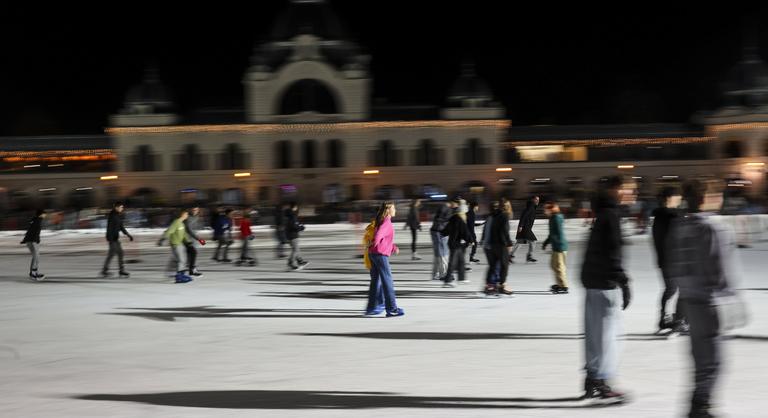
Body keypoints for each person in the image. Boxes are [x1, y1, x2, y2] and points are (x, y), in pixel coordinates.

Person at [668, 179, 746, 418]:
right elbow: (720, 266)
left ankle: (698, 406)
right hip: (709, 300)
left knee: (699, 357)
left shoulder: (679, 226)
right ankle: (700, 407)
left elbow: (673, 264)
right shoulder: (713, 227)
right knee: (712, 361)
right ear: (706, 199)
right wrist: (731, 298)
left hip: (689, 298)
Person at [580, 176, 634, 400]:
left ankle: (593, 379)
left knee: (595, 335)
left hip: (592, 281)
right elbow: (613, 253)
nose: (632, 193)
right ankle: (602, 382)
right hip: (604, 283)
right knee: (607, 337)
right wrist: (623, 281)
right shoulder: (611, 215)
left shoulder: (602, 213)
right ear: (616, 189)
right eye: (629, 189)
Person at [651, 186, 685, 333]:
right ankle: (678, 320)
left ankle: (664, 319)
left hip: (664, 260)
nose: (680, 199)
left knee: (670, 289)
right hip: (675, 259)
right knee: (680, 289)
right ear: (670, 198)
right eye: (678, 196)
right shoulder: (672, 217)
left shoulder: (659, 217)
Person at [364, 201, 405, 317]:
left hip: (373, 254)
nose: (395, 210)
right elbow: (378, 237)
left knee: (375, 281)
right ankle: (392, 308)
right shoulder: (386, 222)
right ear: (388, 210)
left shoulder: (380, 221)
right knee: (387, 281)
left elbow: (383, 239)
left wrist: (393, 247)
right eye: (394, 208)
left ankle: (371, 308)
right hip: (380, 255)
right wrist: (374, 244)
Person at [486, 199, 514, 295]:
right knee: (504, 266)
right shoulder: (504, 215)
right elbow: (505, 231)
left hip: (493, 244)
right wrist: (509, 243)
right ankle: (502, 286)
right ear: (507, 207)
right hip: (501, 244)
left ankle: (490, 286)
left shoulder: (494, 215)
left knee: (494, 265)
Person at [441, 199, 471, 287]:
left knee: (461, 260)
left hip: (454, 242)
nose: (465, 214)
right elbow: (464, 231)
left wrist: (444, 233)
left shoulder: (454, 218)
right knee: (453, 262)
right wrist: (470, 240)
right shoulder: (459, 219)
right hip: (455, 243)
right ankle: (447, 281)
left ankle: (462, 278)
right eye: (465, 212)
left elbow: (448, 229)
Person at [159, 209, 193, 283]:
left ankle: (180, 274)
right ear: (182, 214)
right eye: (186, 214)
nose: (187, 216)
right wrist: (163, 239)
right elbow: (169, 231)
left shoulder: (182, 224)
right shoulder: (176, 222)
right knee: (181, 260)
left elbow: (184, 234)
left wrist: (189, 241)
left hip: (180, 244)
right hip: (175, 244)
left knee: (181, 259)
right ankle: (179, 276)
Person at [542, 202, 569, 294]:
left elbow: (558, 233)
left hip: (559, 247)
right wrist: (546, 242)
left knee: (558, 267)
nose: (545, 211)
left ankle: (564, 286)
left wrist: (557, 245)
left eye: (546, 209)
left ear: (551, 209)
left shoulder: (555, 218)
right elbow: (552, 233)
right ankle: (560, 283)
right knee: (553, 265)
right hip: (557, 246)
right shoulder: (553, 218)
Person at [102, 202, 133, 278]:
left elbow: (121, 226)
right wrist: (110, 239)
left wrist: (128, 234)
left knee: (120, 253)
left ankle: (121, 271)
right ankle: (105, 271)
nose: (122, 209)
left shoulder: (118, 215)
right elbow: (109, 228)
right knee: (112, 254)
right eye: (121, 207)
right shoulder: (112, 215)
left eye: (122, 207)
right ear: (116, 207)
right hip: (112, 238)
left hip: (115, 238)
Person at [511, 196, 540, 263]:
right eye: (536, 199)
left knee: (519, 242)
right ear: (532, 200)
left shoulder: (531, 206)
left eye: (538, 200)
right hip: (525, 228)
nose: (537, 201)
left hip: (524, 227)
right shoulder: (531, 206)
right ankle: (529, 256)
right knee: (533, 241)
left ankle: (510, 256)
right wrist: (521, 225)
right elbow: (524, 216)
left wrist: (521, 226)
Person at [21, 209, 46, 281]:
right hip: (33, 241)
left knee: (35, 256)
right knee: (37, 256)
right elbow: (33, 231)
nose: (45, 215)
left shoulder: (35, 220)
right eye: (44, 214)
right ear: (41, 214)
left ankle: (33, 273)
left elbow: (30, 230)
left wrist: (25, 239)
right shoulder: (37, 220)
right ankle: (33, 274)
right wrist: (36, 240)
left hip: (30, 240)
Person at [430, 201, 452, 280]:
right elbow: (447, 220)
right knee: (443, 254)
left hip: (436, 231)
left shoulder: (441, 208)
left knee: (438, 254)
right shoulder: (448, 209)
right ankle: (443, 274)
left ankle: (435, 274)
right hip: (441, 232)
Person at [184, 206, 206, 277]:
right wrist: (199, 239)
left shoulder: (196, 217)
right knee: (193, 254)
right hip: (188, 239)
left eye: (196, 210)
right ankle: (191, 270)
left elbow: (195, 228)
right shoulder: (189, 218)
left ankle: (191, 270)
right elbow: (190, 230)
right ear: (190, 210)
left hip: (193, 239)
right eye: (193, 210)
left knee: (191, 255)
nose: (194, 211)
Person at [285, 202, 308, 270]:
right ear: (294, 207)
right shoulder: (292, 215)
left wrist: (299, 225)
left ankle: (300, 261)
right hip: (293, 235)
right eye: (296, 207)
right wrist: (301, 228)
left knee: (296, 249)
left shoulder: (288, 215)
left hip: (289, 235)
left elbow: (293, 225)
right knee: (295, 250)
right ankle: (290, 263)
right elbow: (293, 226)